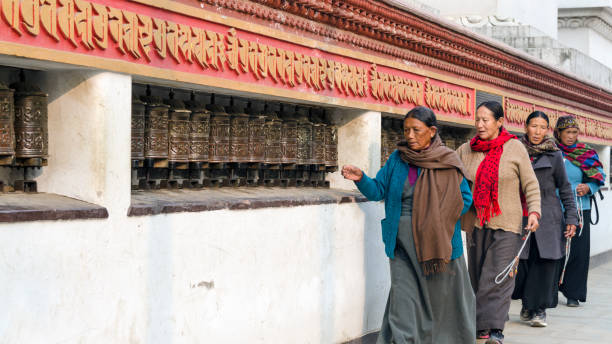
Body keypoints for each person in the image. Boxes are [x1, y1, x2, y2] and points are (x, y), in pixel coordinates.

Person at [341, 106, 475, 344]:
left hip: (437, 245)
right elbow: (378, 190)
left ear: (432, 131)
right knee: (404, 302)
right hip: (401, 243)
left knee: (440, 303)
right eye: (406, 130)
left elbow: (464, 200)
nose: (410, 135)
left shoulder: (447, 160)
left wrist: (435, 219)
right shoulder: (398, 159)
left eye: (416, 130)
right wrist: (361, 178)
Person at [456, 101, 541, 344]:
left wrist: (534, 212)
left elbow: (531, 184)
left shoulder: (514, 148)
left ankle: (495, 329)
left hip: (508, 223)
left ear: (499, 122)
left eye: (486, 120)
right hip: (475, 223)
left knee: (497, 275)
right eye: (477, 119)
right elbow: (450, 174)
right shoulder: (466, 150)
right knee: (477, 275)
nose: (480, 124)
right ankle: (480, 327)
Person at [511, 111, 578, 327]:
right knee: (523, 265)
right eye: (533, 126)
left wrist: (572, 217)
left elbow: (565, 188)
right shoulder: (515, 150)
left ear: (547, 130)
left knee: (544, 264)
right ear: (526, 127)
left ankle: (539, 310)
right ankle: (526, 304)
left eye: (542, 127)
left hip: (548, 217)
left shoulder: (554, 155)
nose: (538, 131)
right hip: (520, 215)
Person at [554, 115, 606, 307]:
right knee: (554, 250)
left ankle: (573, 293)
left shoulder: (586, 153)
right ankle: (551, 290)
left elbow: (598, 177)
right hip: (555, 209)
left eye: (575, 132)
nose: (571, 136)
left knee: (578, 252)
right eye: (567, 132)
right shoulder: (552, 152)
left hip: (580, 209)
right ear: (558, 133)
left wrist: (588, 188)